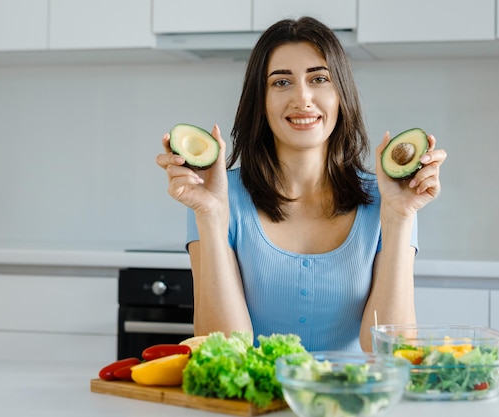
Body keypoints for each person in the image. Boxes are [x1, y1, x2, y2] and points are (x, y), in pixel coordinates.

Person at [156, 16, 447, 352]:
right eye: (281, 83)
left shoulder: (387, 198)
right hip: (256, 402)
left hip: (352, 400)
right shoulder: (218, 198)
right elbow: (224, 349)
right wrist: (210, 215)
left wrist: (398, 218)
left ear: (341, 95)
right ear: (260, 101)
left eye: (319, 78)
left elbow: (390, 352)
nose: (303, 98)